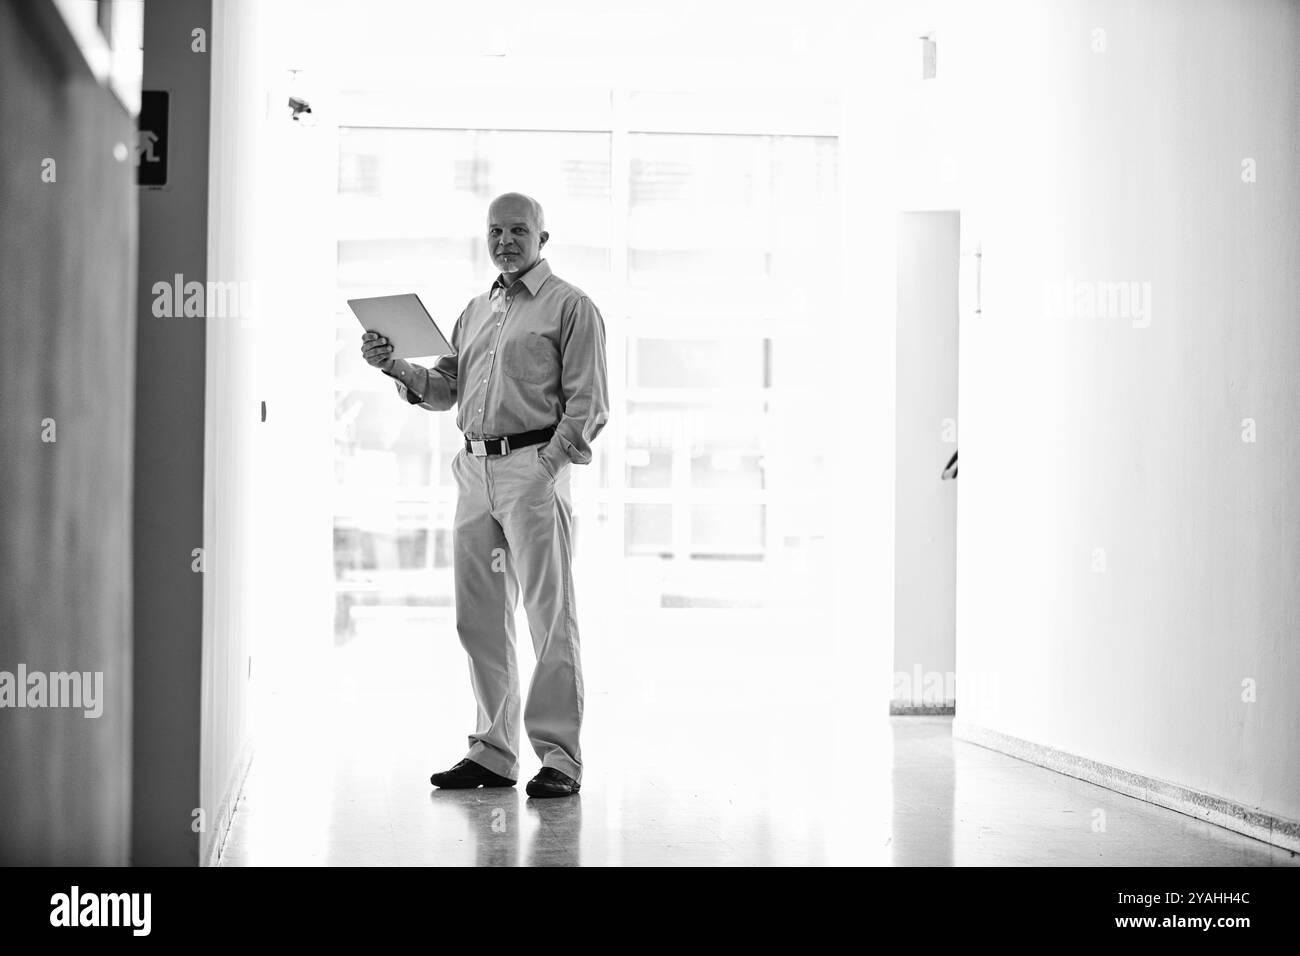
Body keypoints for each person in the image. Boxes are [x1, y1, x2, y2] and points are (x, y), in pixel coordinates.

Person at [360, 192, 609, 798]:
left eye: (518, 230)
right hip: (473, 472)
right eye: (495, 231)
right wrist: (395, 367)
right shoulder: (474, 311)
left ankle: (560, 759)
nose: (505, 241)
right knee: (478, 619)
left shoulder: (571, 307)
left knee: (550, 619)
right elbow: (446, 388)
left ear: (543, 238)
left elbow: (589, 404)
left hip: (532, 469)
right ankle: (493, 754)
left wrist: (546, 466)